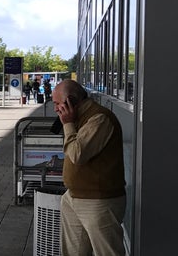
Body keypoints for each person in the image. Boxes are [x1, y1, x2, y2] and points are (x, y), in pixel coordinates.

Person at [52, 80, 126, 255]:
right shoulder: (79, 118)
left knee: (106, 251)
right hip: (73, 196)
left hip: (98, 201)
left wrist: (68, 124)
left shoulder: (99, 118)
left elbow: (77, 154)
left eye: (57, 104)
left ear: (71, 101)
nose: (56, 109)